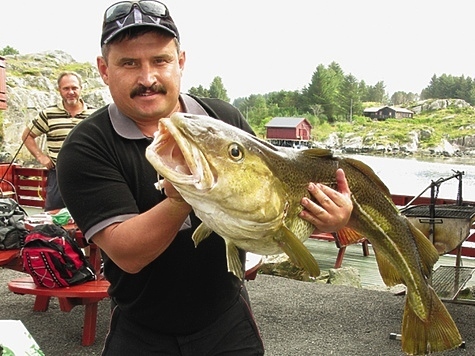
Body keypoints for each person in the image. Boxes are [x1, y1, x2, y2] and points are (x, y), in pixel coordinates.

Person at [56, 1, 353, 355]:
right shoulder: (85, 147)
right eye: (129, 63)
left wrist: (338, 218)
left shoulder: (225, 120)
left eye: (160, 61)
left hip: (227, 320)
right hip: (140, 328)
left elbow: (276, 191)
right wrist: (181, 197)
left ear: (180, 61)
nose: (147, 78)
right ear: (104, 70)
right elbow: (128, 254)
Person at [21, 71, 96, 211]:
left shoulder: (94, 114)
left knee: (90, 216)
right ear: (59, 90)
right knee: (53, 217)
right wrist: (40, 156)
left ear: (81, 88)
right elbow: (27, 136)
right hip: (58, 174)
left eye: (74, 88)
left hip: (88, 175)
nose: (71, 92)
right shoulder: (49, 114)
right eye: (66, 88)